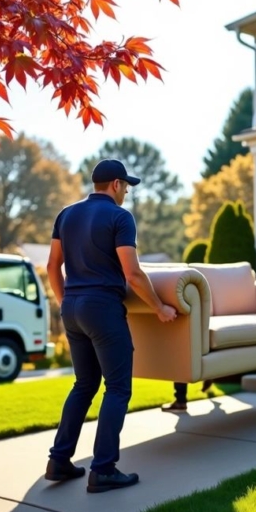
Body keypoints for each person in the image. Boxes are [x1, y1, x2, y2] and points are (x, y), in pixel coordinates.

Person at [44, 159, 177, 494]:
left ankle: (59, 460)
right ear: (116, 184)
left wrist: (65, 302)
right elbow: (132, 273)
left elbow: (52, 266)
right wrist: (160, 307)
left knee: (84, 384)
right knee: (117, 388)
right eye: (126, 187)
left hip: (73, 307)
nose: (127, 193)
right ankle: (103, 469)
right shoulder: (120, 217)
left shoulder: (66, 214)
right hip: (102, 308)